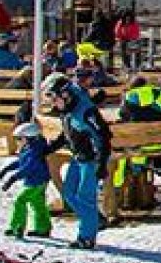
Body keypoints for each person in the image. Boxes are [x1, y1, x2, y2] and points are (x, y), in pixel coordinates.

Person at [42, 73, 111, 249]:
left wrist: (102, 164)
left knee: (85, 197)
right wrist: (49, 149)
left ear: (65, 94)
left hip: (92, 159)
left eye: (54, 98)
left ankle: (86, 237)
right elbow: (68, 134)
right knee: (68, 193)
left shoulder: (86, 111)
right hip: (78, 156)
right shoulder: (67, 110)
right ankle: (95, 218)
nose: (53, 103)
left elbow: (104, 136)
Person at [0, 120, 58, 239]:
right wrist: (7, 169)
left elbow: (27, 168)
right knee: (37, 203)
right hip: (38, 180)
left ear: (29, 138)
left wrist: (12, 178)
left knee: (20, 200)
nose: (17, 141)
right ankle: (43, 228)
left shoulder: (34, 151)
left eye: (20, 139)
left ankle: (17, 226)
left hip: (36, 182)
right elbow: (21, 162)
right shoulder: (30, 148)